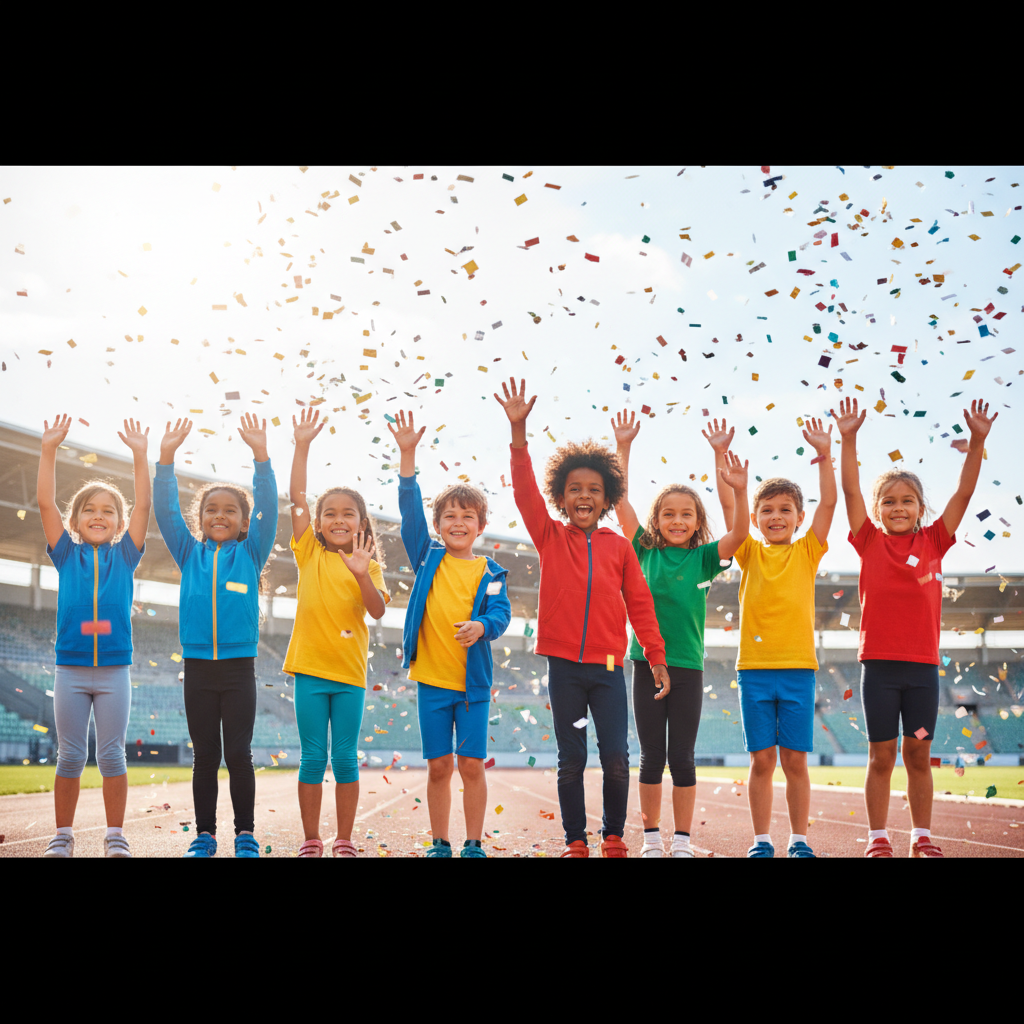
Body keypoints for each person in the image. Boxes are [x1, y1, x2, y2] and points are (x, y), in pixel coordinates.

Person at [496, 379, 670, 858]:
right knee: (572, 758)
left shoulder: (619, 547)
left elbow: (640, 604)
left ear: (608, 495)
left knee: (616, 757)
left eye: (594, 488)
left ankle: (613, 835)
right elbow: (524, 491)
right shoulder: (550, 536)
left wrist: (655, 656)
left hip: (611, 669)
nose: (584, 495)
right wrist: (518, 434)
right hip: (564, 669)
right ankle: (575, 840)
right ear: (562, 496)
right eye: (575, 489)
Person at [832, 396, 997, 859]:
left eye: (907, 501)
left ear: (921, 508)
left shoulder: (934, 541)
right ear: (878, 508)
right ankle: (877, 837)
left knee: (919, 756)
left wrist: (977, 442)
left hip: (922, 671)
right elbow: (848, 492)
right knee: (881, 757)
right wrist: (849, 438)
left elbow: (963, 494)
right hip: (879, 671)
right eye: (889, 501)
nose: (898, 507)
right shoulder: (868, 541)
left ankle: (921, 836)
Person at [612, 411, 750, 858]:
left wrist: (730, 475)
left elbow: (740, 530)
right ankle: (652, 839)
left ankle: (683, 841)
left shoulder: (707, 558)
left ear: (696, 521)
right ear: (657, 520)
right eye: (668, 513)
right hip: (643, 662)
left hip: (688, 666)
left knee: (683, 758)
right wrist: (624, 446)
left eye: (686, 514)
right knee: (652, 755)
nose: (677, 520)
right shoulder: (643, 551)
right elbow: (621, 503)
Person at [388, 410, 511, 859]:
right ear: (438, 523)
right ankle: (440, 843)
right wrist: (407, 457)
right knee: (439, 766)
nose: (458, 523)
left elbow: (501, 614)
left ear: (481, 524)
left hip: (473, 686)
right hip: (433, 682)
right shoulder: (426, 557)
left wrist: (483, 626)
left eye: (467, 516)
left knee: (471, 765)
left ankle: (473, 843)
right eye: (449, 516)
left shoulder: (493, 572)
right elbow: (407, 513)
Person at [154, 414, 277, 858]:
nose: (219, 515)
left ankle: (245, 834)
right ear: (200, 519)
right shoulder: (188, 552)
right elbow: (166, 512)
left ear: (244, 521)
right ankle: (204, 836)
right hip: (198, 667)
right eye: (211, 509)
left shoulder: (251, 552)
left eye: (230, 510)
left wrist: (261, 458)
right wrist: (165, 459)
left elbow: (269, 509)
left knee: (238, 754)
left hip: (239, 667)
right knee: (205, 755)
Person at [38, 416, 150, 859]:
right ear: (76, 519)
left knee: (111, 756)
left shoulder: (126, 556)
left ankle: (115, 836)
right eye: (90, 509)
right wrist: (49, 451)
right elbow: (45, 504)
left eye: (108, 510)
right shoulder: (65, 554)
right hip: (70, 669)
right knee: (68, 756)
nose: (98, 516)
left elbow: (143, 508)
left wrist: (140, 455)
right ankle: (62, 836)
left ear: (119, 522)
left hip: (114, 672)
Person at [283, 409, 389, 858]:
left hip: (348, 675)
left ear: (361, 523)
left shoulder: (372, 565)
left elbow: (379, 610)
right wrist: (302, 445)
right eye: (330, 513)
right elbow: (298, 498)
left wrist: (363, 574)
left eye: (348, 514)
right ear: (320, 522)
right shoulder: (308, 551)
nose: (338, 519)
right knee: (312, 758)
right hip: (309, 669)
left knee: (344, 758)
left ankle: (344, 839)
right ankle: (312, 839)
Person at [733, 417, 837, 859]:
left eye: (785, 510)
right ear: (756, 519)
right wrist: (738, 487)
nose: (776, 516)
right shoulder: (748, 550)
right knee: (761, 761)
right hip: (754, 672)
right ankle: (761, 841)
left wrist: (825, 455)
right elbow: (732, 517)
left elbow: (830, 504)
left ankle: (798, 840)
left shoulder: (808, 550)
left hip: (798, 670)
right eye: (767, 510)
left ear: (798, 517)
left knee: (795, 761)